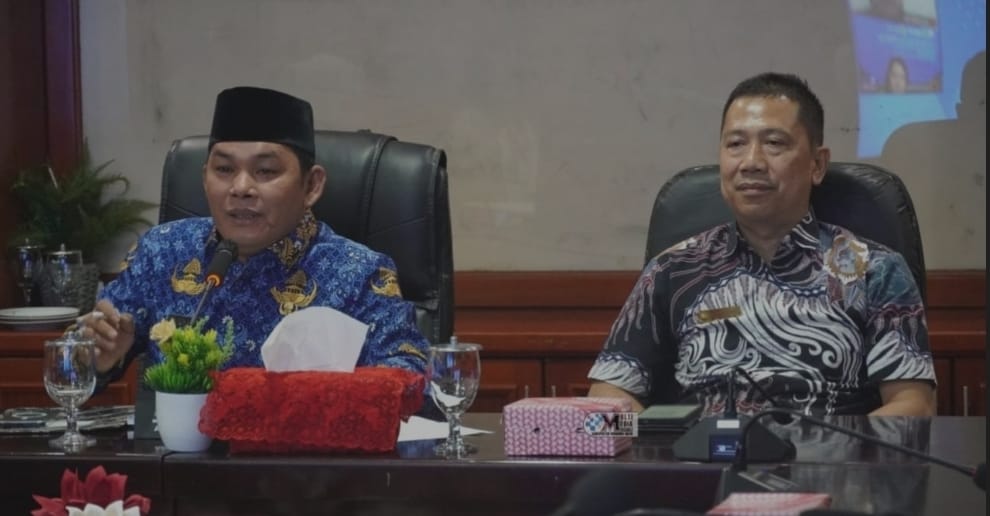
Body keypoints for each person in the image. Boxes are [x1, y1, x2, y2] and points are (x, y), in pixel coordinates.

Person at [587, 72, 936, 417]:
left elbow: (914, 406)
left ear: (817, 165)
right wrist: (653, 444)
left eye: (774, 143)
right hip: (700, 451)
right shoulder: (672, 269)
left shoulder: (875, 270)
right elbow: (605, 398)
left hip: (831, 451)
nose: (751, 162)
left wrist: (840, 448)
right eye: (735, 144)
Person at [77, 86, 430, 387]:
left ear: (311, 185)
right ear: (204, 179)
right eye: (224, 169)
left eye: (265, 171)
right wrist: (95, 356)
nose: (241, 187)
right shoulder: (162, 251)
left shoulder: (359, 273)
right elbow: (80, 363)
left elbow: (412, 382)